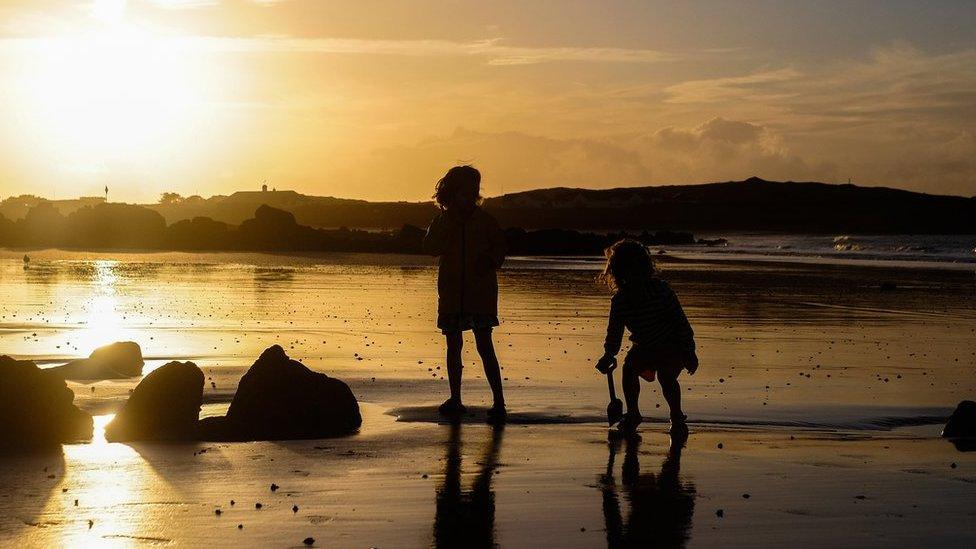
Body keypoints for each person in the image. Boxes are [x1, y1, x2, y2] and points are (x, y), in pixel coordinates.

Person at [423, 165, 508, 420]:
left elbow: (500, 249)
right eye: (465, 190)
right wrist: (444, 228)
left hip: (480, 293)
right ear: (452, 192)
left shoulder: (485, 221)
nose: (470, 195)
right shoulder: (442, 220)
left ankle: (499, 402)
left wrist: (491, 260)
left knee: (485, 345)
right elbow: (429, 247)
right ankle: (456, 398)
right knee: (453, 345)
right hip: (451, 293)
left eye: (473, 190)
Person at [595, 239, 698, 433]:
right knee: (629, 370)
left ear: (646, 269)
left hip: (671, 345)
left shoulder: (661, 291)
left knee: (667, 377)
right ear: (619, 274)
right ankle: (633, 413)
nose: (633, 277)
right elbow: (614, 332)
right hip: (644, 346)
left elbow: (680, 322)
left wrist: (689, 351)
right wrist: (609, 354)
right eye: (628, 272)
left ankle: (676, 415)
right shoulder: (620, 301)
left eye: (637, 271)